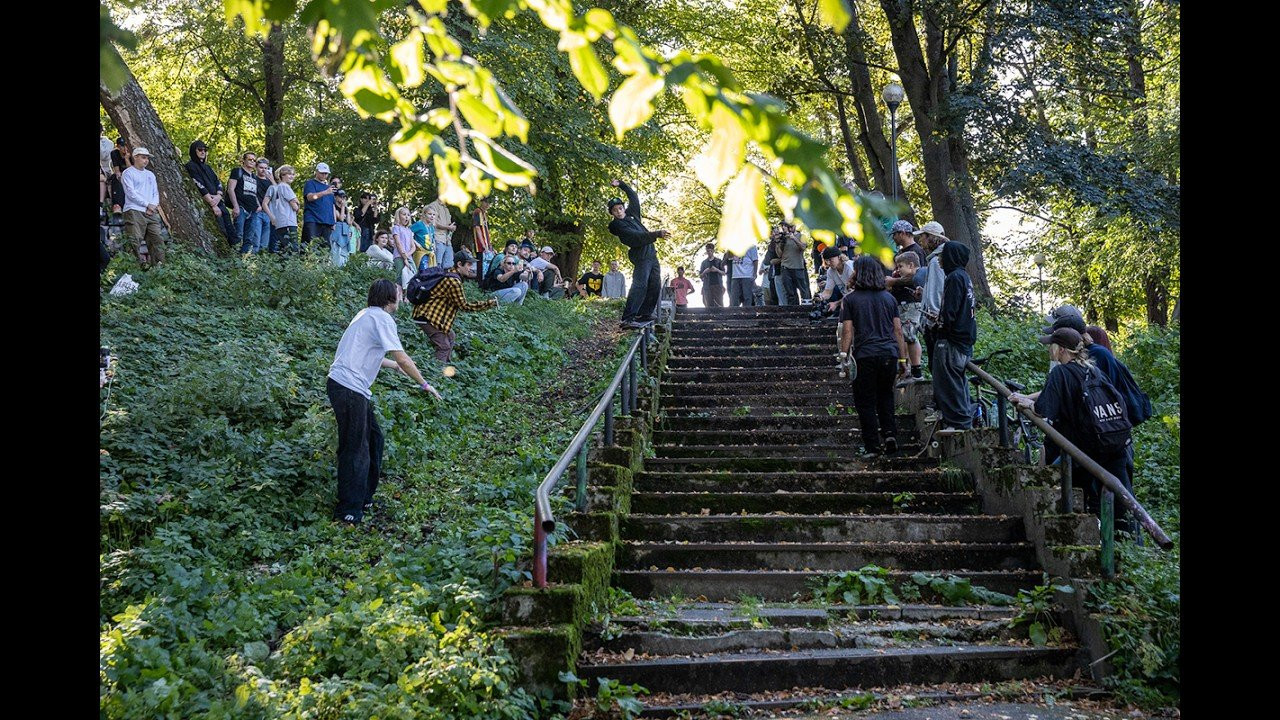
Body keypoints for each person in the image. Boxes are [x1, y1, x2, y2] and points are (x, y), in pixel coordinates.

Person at [327, 280, 440, 525]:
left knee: (374, 440)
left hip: (348, 386)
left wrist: (394, 366)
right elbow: (403, 356)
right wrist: (424, 383)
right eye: (399, 294)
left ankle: (364, 497)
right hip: (349, 387)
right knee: (355, 449)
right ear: (390, 298)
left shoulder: (366, 315)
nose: (401, 298)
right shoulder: (382, 318)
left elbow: (368, 354)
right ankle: (348, 511)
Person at [1011, 327, 1135, 535]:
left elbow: (1043, 410)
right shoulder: (1093, 369)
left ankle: (1097, 541)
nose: (1049, 349)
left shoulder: (1060, 372)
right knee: (1121, 499)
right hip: (1111, 440)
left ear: (1060, 350)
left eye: (1051, 345)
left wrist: (1027, 404)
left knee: (1080, 493)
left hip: (1084, 449)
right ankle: (1128, 543)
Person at [839, 255, 908, 456]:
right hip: (889, 354)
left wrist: (844, 357)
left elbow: (848, 331)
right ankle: (889, 435)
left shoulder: (850, 299)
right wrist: (903, 360)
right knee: (886, 395)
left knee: (865, 401)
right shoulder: (889, 298)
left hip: (865, 355)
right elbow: (898, 331)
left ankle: (872, 446)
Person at [411, 251, 498, 362]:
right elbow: (464, 306)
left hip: (426, 315)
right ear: (459, 264)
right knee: (444, 347)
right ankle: (438, 375)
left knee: (451, 336)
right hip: (428, 317)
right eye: (468, 264)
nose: (471, 268)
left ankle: (445, 368)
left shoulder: (448, 273)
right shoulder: (453, 281)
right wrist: (489, 303)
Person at [607, 179, 669, 328]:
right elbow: (637, 238)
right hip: (641, 255)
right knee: (640, 284)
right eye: (615, 210)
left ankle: (645, 312)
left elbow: (633, 196)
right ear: (613, 213)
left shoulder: (632, 214)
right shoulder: (618, 225)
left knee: (655, 283)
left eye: (620, 208)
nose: (619, 212)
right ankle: (627, 318)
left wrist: (621, 184)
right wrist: (657, 234)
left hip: (651, 254)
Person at [932, 241, 977, 435]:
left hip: (953, 339)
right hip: (964, 337)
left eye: (943, 256)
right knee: (957, 379)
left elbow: (950, 309)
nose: (939, 260)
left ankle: (958, 422)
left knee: (948, 379)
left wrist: (941, 326)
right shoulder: (964, 277)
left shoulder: (954, 278)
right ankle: (961, 419)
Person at [183, 140, 237, 245]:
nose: (203, 152)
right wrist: (212, 204)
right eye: (200, 150)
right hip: (208, 202)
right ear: (194, 151)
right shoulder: (190, 166)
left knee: (230, 227)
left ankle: (234, 252)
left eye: (205, 150)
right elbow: (198, 185)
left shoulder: (208, 167)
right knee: (220, 229)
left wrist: (218, 196)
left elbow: (218, 182)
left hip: (217, 200)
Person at [121, 147, 167, 267]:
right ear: (135, 157)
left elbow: (155, 193)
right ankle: (133, 271)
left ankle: (160, 269)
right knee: (134, 241)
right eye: (143, 157)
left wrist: (152, 206)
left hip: (151, 212)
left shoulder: (150, 175)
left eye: (147, 158)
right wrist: (148, 205)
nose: (146, 160)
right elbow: (131, 193)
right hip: (134, 210)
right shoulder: (128, 173)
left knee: (157, 240)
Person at [889, 251, 925, 381]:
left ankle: (916, 371)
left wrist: (894, 281)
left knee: (910, 335)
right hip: (904, 306)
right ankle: (910, 368)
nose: (898, 270)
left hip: (911, 307)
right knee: (907, 336)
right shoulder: (908, 277)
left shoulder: (917, 275)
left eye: (900, 266)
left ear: (910, 265)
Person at [227, 151, 263, 253]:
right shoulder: (237, 171)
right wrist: (236, 206)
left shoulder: (254, 177)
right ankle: (234, 258)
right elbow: (230, 189)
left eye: (254, 160)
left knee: (249, 238)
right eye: (250, 159)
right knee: (238, 235)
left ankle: (243, 261)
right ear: (244, 160)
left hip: (253, 210)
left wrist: (258, 206)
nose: (252, 162)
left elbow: (254, 193)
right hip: (241, 208)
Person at [264, 164, 301, 255]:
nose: (291, 176)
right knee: (293, 249)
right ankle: (291, 268)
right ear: (282, 176)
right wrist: (298, 204)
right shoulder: (284, 186)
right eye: (288, 174)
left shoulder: (279, 187)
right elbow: (295, 205)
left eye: (293, 174)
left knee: (283, 248)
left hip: (281, 222)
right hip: (288, 222)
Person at [811, 247, 854, 319]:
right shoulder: (830, 271)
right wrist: (821, 297)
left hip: (860, 300)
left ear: (839, 257)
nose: (828, 263)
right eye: (826, 260)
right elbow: (828, 291)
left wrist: (836, 303)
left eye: (830, 260)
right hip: (847, 300)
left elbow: (854, 294)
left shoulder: (849, 267)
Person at [302, 162, 337, 249]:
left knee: (325, 248)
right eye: (322, 173)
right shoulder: (310, 183)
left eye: (326, 173)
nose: (324, 175)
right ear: (316, 172)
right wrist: (325, 192)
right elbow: (310, 197)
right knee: (310, 245)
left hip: (327, 222)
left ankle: (323, 263)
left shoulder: (329, 188)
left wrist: (333, 221)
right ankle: (305, 261)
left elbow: (332, 205)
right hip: (313, 220)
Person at [775, 222, 810, 305]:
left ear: (794, 226)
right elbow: (780, 254)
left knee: (803, 290)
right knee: (790, 292)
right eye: (783, 226)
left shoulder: (802, 236)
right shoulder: (783, 238)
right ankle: (793, 311)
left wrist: (793, 238)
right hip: (785, 267)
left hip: (798, 267)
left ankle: (806, 309)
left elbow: (803, 247)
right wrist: (777, 242)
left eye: (787, 226)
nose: (785, 228)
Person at [246, 158, 275, 253]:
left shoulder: (270, 182)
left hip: (268, 213)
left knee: (265, 243)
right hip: (257, 212)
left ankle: (262, 262)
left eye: (266, 168)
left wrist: (272, 180)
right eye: (261, 167)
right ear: (256, 167)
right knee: (256, 241)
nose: (263, 170)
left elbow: (278, 194)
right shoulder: (253, 178)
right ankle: (253, 262)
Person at [390, 206, 416, 278]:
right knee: (401, 277)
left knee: (413, 274)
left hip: (408, 257)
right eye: (404, 214)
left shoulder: (409, 230)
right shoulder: (396, 228)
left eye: (408, 215)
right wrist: (404, 257)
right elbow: (398, 244)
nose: (406, 217)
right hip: (399, 256)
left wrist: (407, 255)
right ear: (398, 216)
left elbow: (413, 247)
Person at [698, 242, 726, 308]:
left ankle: (721, 317)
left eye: (710, 251)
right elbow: (701, 276)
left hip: (718, 285)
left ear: (713, 251)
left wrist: (717, 270)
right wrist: (705, 271)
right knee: (708, 305)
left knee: (720, 304)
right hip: (707, 286)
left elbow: (724, 273)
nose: (709, 252)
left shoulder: (719, 261)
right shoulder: (704, 263)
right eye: (707, 251)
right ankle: (710, 318)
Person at [330, 190, 353, 266]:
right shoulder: (334, 206)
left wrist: (347, 209)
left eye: (344, 197)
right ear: (335, 197)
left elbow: (349, 222)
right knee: (336, 250)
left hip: (345, 231)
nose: (342, 198)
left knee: (344, 252)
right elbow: (341, 218)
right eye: (340, 196)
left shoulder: (345, 208)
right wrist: (343, 207)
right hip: (337, 231)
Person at [109, 137, 131, 215]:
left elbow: (132, 172)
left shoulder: (131, 153)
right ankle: (117, 205)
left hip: (131, 175)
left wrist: (127, 159)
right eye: (122, 146)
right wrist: (120, 176)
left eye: (125, 145)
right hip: (121, 175)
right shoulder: (114, 153)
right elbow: (117, 171)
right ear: (118, 146)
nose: (125, 148)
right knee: (115, 178)